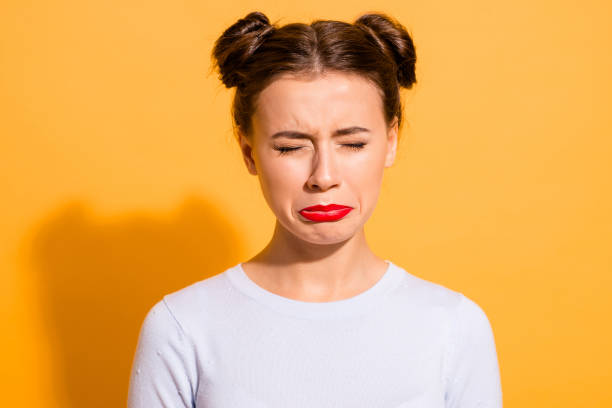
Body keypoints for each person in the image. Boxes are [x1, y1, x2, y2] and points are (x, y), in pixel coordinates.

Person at [127, 10, 503, 408]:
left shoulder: (454, 328)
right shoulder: (182, 328)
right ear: (248, 151)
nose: (323, 176)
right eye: (290, 147)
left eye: (353, 144)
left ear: (391, 141)